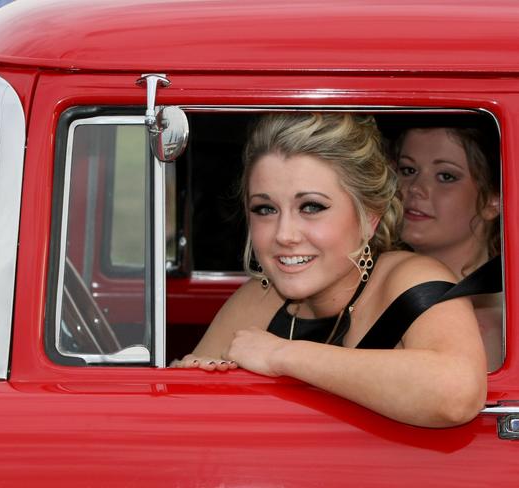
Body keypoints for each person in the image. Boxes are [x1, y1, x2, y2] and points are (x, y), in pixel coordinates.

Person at [172, 112, 487, 428]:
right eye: (265, 209)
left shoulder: (412, 282)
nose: (284, 235)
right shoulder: (259, 296)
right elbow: (183, 417)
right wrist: (196, 377)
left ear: (369, 217)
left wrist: (281, 355)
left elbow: (456, 393)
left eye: (311, 207)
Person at [395, 124, 502, 370]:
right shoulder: (367, 284)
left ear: (492, 200)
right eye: (408, 170)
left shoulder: (494, 326)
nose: (414, 188)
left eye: (446, 176)